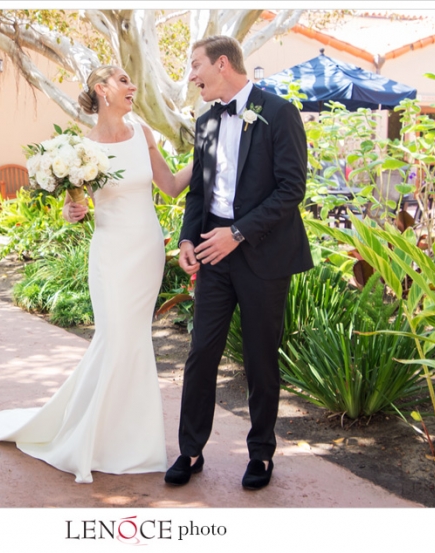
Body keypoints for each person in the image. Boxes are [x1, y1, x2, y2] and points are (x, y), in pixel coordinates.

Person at [0, 65, 192, 484]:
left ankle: (133, 443)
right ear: (101, 89)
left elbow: (171, 186)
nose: (132, 85)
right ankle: (90, 438)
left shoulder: (143, 133)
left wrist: (209, 155)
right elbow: (73, 208)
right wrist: (72, 210)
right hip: (111, 251)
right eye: (123, 80)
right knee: (115, 336)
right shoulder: (81, 148)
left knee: (134, 340)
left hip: (147, 249)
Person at [164, 36, 313, 489]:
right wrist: (189, 239)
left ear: (222, 64)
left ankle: (261, 455)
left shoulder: (279, 112)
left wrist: (239, 233)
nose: (191, 76)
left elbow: (291, 189)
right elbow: (198, 193)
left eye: (196, 66)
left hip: (263, 255)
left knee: (261, 358)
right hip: (213, 253)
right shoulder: (206, 121)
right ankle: (190, 451)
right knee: (200, 353)